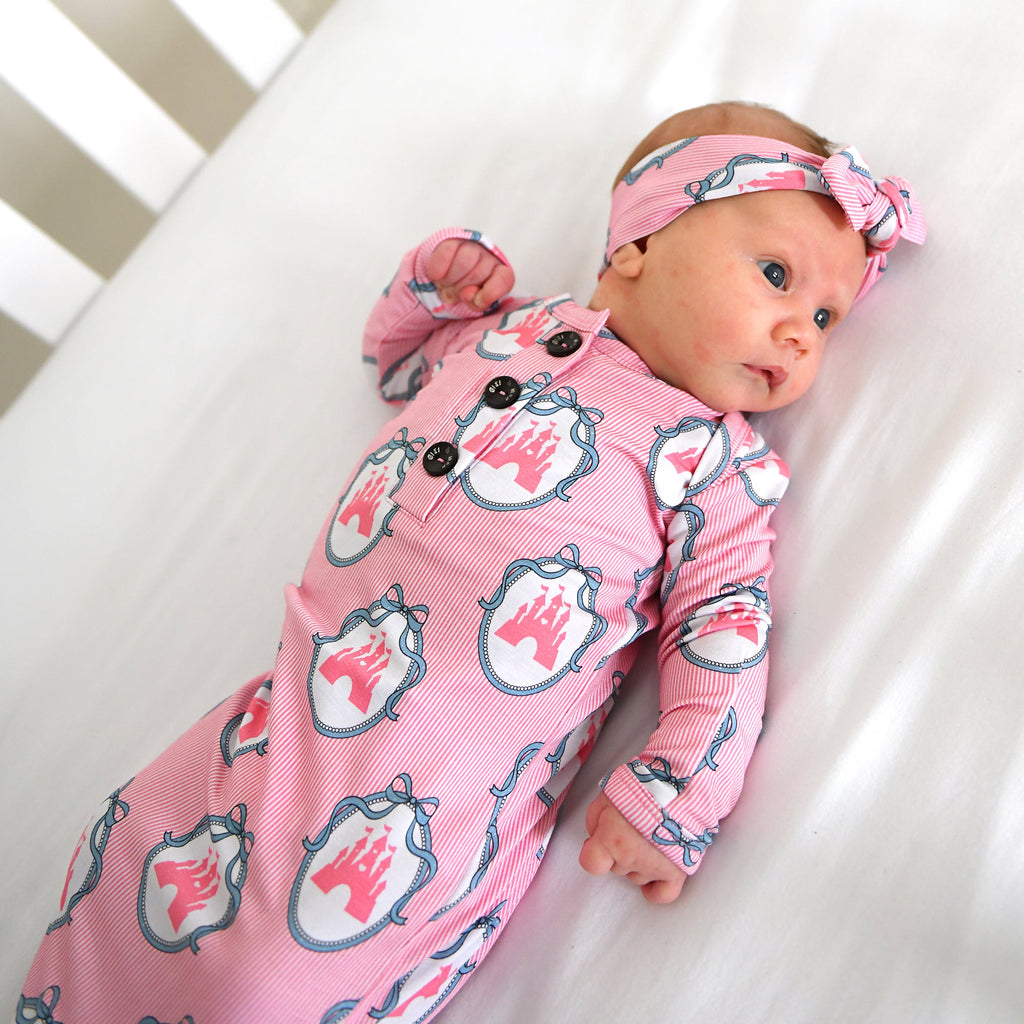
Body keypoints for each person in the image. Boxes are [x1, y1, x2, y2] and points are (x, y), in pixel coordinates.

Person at [18, 101, 925, 1023]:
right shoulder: (511, 332)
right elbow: (399, 366)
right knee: (128, 852)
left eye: (826, 315)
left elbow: (724, 627)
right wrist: (435, 288)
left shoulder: (713, 464)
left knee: (271, 979)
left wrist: (674, 793)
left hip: (436, 791)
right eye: (776, 276)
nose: (802, 332)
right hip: (285, 708)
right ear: (640, 245)